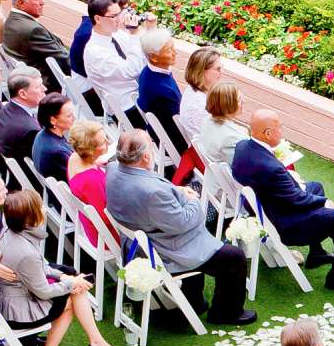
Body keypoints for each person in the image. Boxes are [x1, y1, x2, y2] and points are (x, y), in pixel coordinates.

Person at [106, 128, 256, 326]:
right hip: (167, 247)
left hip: (143, 234)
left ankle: (195, 301)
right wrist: (192, 199)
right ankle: (227, 312)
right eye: (150, 147)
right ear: (144, 157)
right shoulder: (153, 192)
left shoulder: (114, 169)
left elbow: (147, 196)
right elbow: (183, 222)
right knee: (234, 258)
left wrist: (176, 192)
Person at [234, 109, 334, 293]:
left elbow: (285, 190)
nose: (282, 130)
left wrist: (290, 181)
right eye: (279, 127)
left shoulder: (243, 146)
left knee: (315, 185)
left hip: (269, 205)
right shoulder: (270, 168)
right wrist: (323, 202)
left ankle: (317, 253)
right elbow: (298, 200)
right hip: (288, 222)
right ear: (267, 133)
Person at [0, 189, 126, 346]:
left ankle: (96, 343)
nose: (44, 208)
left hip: (10, 296)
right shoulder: (25, 252)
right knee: (73, 297)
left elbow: (41, 266)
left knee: (75, 290)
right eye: (40, 206)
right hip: (19, 311)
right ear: (31, 216)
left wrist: (64, 277)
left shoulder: (10, 229)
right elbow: (43, 292)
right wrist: (72, 284)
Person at [79, 0, 144, 117]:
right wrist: (134, 35)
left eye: (119, 14)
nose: (119, 19)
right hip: (126, 108)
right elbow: (132, 70)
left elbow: (143, 53)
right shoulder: (95, 52)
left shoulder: (116, 35)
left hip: (138, 97)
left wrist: (149, 29)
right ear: (98, 19)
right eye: (113, 16)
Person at [1, 0, 72, 89]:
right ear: (20, 3)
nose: (42, 2)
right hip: (48, 85)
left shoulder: (11, 20)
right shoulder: (33, 30)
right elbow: (64, 60)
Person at [137, 27, 187, 154]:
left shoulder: (146, 72)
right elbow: (180, 124)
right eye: (169, 50)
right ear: (154, 57)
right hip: (173, 142)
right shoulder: (163, 90)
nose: (175, 52)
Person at [66, 121, 113, 246]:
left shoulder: (75, 157)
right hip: (106, 235)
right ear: (90, 150)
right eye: (103, 143)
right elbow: (106, 218)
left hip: (92, 223)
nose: (108, 143)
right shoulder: (90, 180)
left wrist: (96, 162)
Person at [195, 79, 248, 175]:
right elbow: (244, 168)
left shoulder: (208, 120)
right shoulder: (232, 138)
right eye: (240, 99)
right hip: (229, 185)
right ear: (228, 104)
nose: (244, 101)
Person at [0, 70, 44, 162]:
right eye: (38, 87)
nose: (44, 89)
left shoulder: (5, 110)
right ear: (22, 94)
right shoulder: (31, 130)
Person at [31, 94, 77, 182]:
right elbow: (78, 176)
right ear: (53, 120)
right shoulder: (57, 151)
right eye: (69, 116)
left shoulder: (41, 135)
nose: (74, 118)